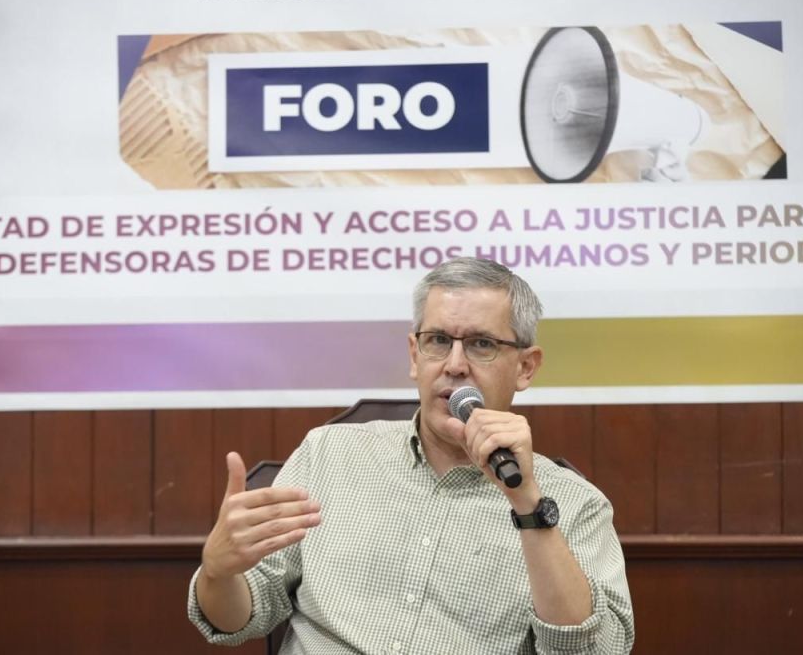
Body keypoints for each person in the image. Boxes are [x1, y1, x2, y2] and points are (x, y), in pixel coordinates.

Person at [188, 257, 634, 653]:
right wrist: (218, 573)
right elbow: (240, 617)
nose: (454, 365)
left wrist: (529, 507)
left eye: (481, 344)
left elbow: (594, 652)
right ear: (414, 356)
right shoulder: (329, 454)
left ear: (525, 367)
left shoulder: (576, 505)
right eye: (438, 340)